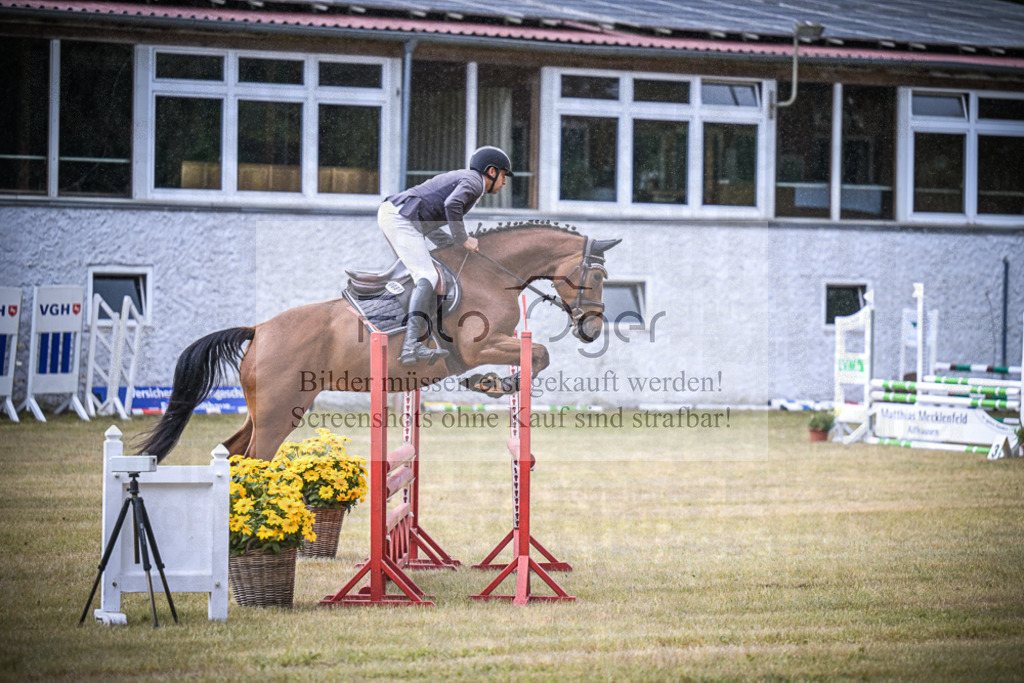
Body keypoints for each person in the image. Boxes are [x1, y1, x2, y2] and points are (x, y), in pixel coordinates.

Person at [378, 145, 514, 365]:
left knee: (431, 272)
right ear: (491, 171)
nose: (505, 182)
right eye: (504, 175)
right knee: (427, 276)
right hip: (401, 218)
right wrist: (462, 239)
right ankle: (410, 345)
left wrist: (453, 245)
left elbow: (435, 214)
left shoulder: (469, 181)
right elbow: (452, 205)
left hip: (405, 217)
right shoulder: (473, 183)